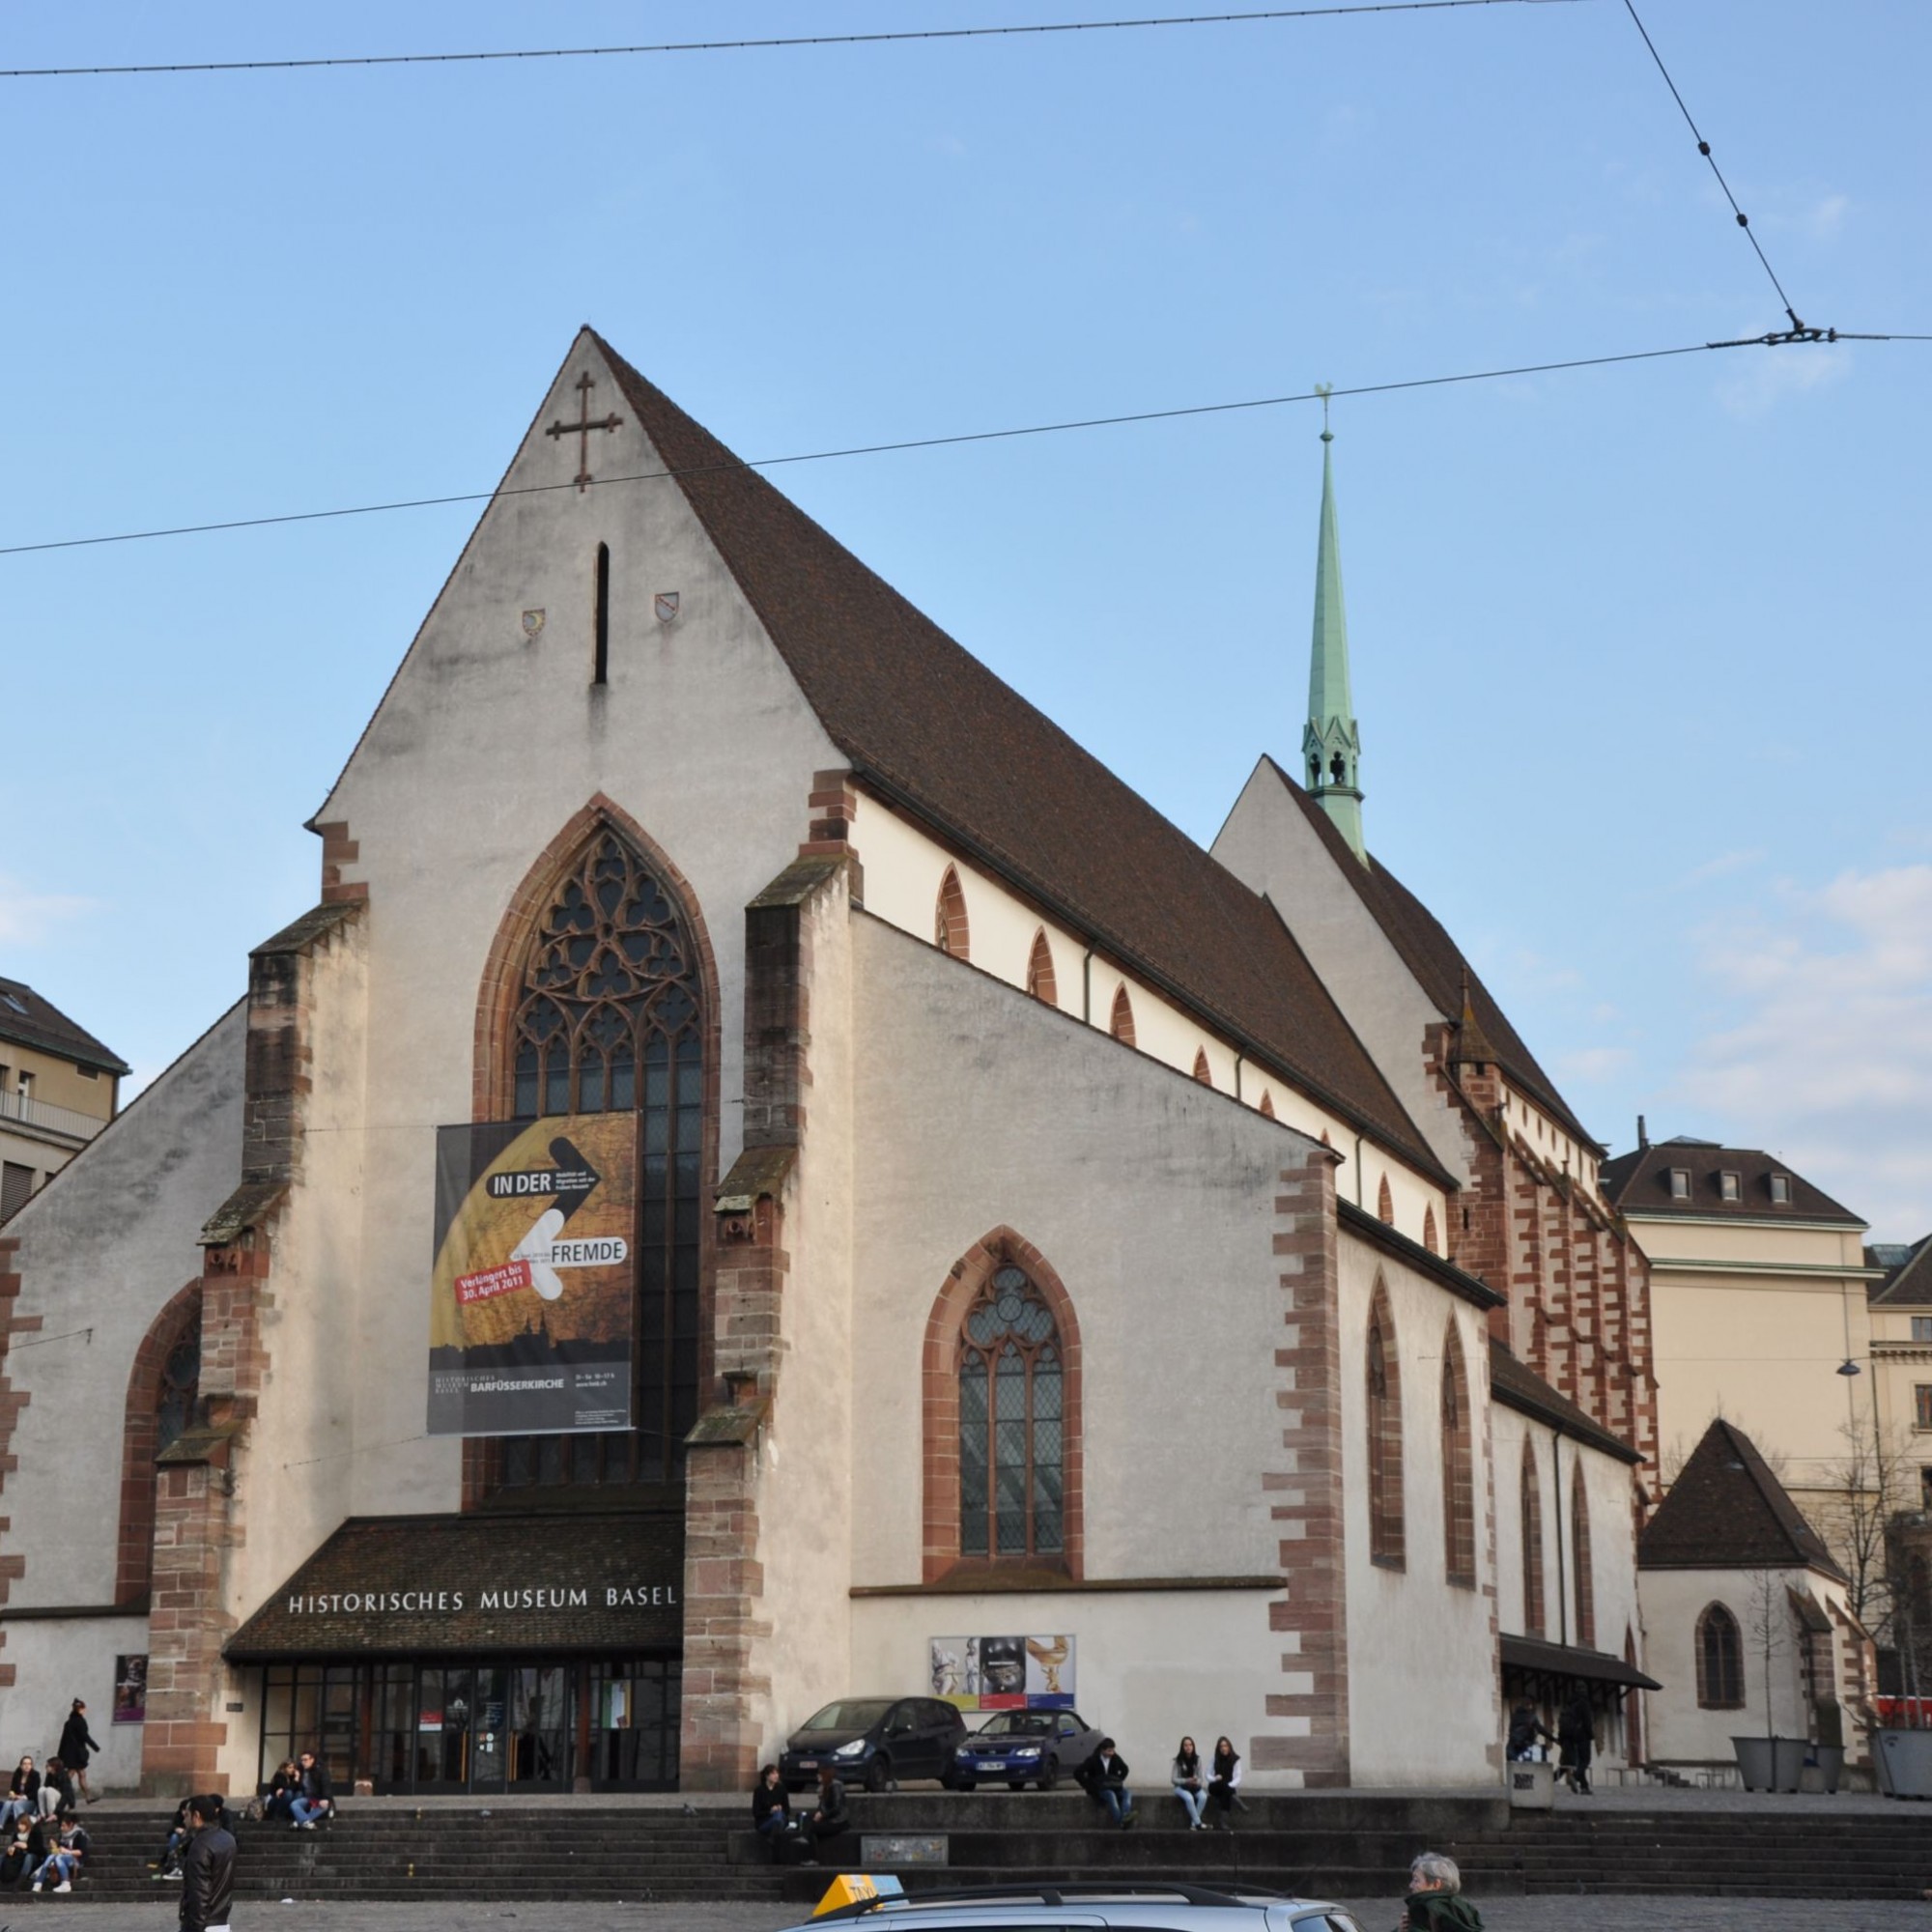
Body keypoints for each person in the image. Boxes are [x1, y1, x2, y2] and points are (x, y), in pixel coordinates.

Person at [179, 1793, 237, 1932]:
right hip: (221, 1919)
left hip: (203, 1923)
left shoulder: (200, 1846)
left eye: (187, 1815)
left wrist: (196, 1927)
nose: (184, 1821)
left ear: (196, 1816)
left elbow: (200, 1892)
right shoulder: (228, 1839)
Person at [1399, 1851, 1484, 1930]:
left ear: (1436, 1884)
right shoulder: (1464, 1908)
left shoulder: (1421, 1908)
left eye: (1416, 1880)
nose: (1410, 1885)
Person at [796, 1763, 848, 1864]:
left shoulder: (835, 1786)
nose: (817, 1777)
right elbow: (822, 1806)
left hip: (838, 1821)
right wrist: (818, 1813)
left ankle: (814, 1858)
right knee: (806, 1818)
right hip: (830, 1818)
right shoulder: (825, 1787)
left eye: (819, 1775)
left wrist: (822, 1815)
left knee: (814, 1829)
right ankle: (805, 1837)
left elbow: (837, 1808)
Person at [1077, 1737, 1134, 1829]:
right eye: (1109, 1751)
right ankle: (1121, 1821)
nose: (1111, 1753)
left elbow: (1125, 1769)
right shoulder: (1093, 1760)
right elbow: (1078, 1772)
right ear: (1102, 1750)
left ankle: (1124, 1817)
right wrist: (1089, 1785)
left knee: (1127, 1793)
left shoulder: (1115, 1758)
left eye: (1112, 1750)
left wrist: (1118, 1780)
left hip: (1114, 1786)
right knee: (1110, 1795)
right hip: (1100, 1788)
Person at [29, 1812, 89, 1894]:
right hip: (63, 1858)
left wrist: (67, 1851)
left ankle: (66, 1883)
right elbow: (60, 1850)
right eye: (61, 1826)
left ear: (70, 1825)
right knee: (51, 1857)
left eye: (63, 1826)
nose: (61, 1828)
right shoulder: (63, 1836)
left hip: (76, 1860)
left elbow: (81, 1852)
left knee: (58, 1857)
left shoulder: (79, 1834)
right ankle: (39, 1882)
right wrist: (55, 1848)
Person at [57, 1698, 101, 1804]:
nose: (84, 1710)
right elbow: (85, 1736)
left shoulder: (68, 1723)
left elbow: (63, 1739)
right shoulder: (80, 1721)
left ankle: (88, 1796)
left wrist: (60, 1753)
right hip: (77, 1753)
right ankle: (59, 1794)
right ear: (80, 1709)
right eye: (83, 1708)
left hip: (69, 1753)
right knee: (73, 1774)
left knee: (80, 1774)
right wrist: (95, 1747)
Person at [752, 1763, 793, 1860]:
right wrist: (770, 1811)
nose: (776, 1776)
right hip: (765, 1822)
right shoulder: (759, 1790)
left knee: (779, 1816)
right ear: (767, 1775)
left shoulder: (781, 1789)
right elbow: (756, 1812)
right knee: (777, 1820)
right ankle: (775, 1839)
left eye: (777, 1773)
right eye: (773, 1773)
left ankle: (773, 1838)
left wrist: (780, 1808)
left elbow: (787, 1810)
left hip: (781, 1819)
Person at [1557, 1690, 1594, 1796]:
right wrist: (1591, 1735)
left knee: (1579, 1762)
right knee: (1585, 1761)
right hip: (1583, 1737)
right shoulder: (1584, 1704)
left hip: (1573, 1737)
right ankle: (1575, 1776)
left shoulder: (1570, 1707)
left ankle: (1584, 1787)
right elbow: (1587, 1721)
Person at [289, 1747, 334, 1829]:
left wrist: (326, 1798)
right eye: (302, 1760)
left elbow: (326, 1785)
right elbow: (293, 1788)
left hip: (319, 1799)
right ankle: (306, 1822)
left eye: (305, 1760)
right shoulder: (300, 1770)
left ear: (312, 1759)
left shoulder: (321, 1769)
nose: (303, 1762)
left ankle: (299, 1822)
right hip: (308, 1798)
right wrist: (296, 1778)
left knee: (324, 1806)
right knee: (294, 1804)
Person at [1171, 1735, 1208, 1830]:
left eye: (1190, 1745)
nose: (1188, 1747)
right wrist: (1186, 1780)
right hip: (1180, 1787)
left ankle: (1194, 1824)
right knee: (1189, 1798)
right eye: (1185, 1745)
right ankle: (1198, 1823)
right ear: (1182, 1747)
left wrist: (1196, 1782)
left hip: (1194, 1786)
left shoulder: (1198, 1759)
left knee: (1203, 1796)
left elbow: (1201, 1777)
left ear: (1193, 1746)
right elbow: (1173, 1779)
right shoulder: (1178, 1760)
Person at [1207, 1735, 1242, 1831]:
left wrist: (1229, 1786)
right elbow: (1208, 1775)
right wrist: (1215, 1778)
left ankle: (1223, 1823)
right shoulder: (1214, 1759)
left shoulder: (1236, 1759)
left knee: (1225, 1794)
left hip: (1228, 1787)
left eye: (1225, 1746)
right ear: (1218, 1748)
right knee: (1223, 1788)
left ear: (1229, 1747)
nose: (1223, 1748)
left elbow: (1238, 1777)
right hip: (1214, 1786)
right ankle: (1237, 1801)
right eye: (1221, 1746)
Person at [1504, 1699, 1550, 1763]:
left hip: (1511, 1749)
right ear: (1530, 1706)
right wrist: (1554, 1739)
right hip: (1525, 1749)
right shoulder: (1532, 1717)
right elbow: (1541, 1730)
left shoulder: (1514, 1717)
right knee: (1529, 1769)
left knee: (1514, 1771)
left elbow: (1510, 1730)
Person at [0, 1809, 38, 1888]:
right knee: (1, 1857)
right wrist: (11, 1849)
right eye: (19, 1824)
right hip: (18, 1856)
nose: (19, 1826)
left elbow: (40, 1850)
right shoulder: (16, 1834)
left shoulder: (34, 1832)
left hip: (32, 1856)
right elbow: (13, 1845)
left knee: (29, 1857)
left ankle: (21, 1880)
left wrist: (27, 1847)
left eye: (22, 1824)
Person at [2, 1753, 40, 1825]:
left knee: (17, 1804)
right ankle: (1, 1824)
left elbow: (34, 1792)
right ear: (21, 1765)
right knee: (7, 1803)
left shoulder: (35, 1775)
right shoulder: (17, 1774)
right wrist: (12, 1794)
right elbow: (12, 1789)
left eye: (29, 1764)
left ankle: (21, 1824)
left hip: (30, 1802)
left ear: (32, 1765)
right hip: (17, 1799)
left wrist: (22, 1797)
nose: (27, 1766)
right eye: (25, 1764)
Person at [264, 1759, 302, 1825]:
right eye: (290, 1767)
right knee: (288, 1793)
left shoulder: (293, 1776)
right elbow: (287, 1788)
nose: (292, 1769)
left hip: (286, 1800)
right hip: (274, 1801)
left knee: (299, 1794)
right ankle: (278, 1814)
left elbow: (298, 1788)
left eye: (293, 1767)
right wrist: (296, 1780)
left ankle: (291, 1814)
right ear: (284, 1768)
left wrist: (297, 1778)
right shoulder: (279, 1775)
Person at [37, 1755, 75, 1819]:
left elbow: (65, 1796)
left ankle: (52, 1815)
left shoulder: (63, 1776)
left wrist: (56, 1812)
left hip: (65, 1804)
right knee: (41, 1789)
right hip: (53, 1801)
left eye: (47, 1766)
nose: (46, 1767)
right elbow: (45, 1789)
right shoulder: (50, 1775)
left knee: (49, 1790)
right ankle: (42, 1814)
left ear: (54, 1767)